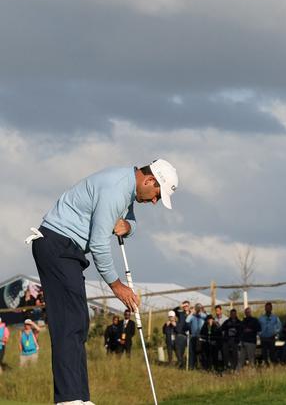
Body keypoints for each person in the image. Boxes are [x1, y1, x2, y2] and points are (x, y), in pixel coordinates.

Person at [27, 159, 178, 404]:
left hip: (68, 249)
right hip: (57, 244)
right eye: (157, 196)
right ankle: (69, 398)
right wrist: (117, 286)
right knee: (68, 322)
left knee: (78, 321)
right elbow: (98, 244)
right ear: (150, 181)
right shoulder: (116, 189)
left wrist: (127, 226)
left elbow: (130, 223)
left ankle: (78, 397)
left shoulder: (128, 188)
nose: (153, 201)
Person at [186, 303, 207, 370]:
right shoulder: (193, 316)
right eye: (197, 308)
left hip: (201, 336)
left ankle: (202, 366)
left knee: (201, 352)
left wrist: (199, 312)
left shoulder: (203, 315)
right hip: (193, 336)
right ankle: (191, 366)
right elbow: (187, 320)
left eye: (199, 308)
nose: (198, 309)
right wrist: (191, 313)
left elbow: (205, 317)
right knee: (192, 352)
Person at [173, 300, 190, 369]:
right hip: (181, 334)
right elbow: (173, 311)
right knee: (179, 350)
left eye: (187, 306)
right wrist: (180, 306)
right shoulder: (180, 313)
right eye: (184, 306)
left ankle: (185, 363)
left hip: (189, 334)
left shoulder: (192, 314)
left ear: (189, 306)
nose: (185, 307)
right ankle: (181, 363)